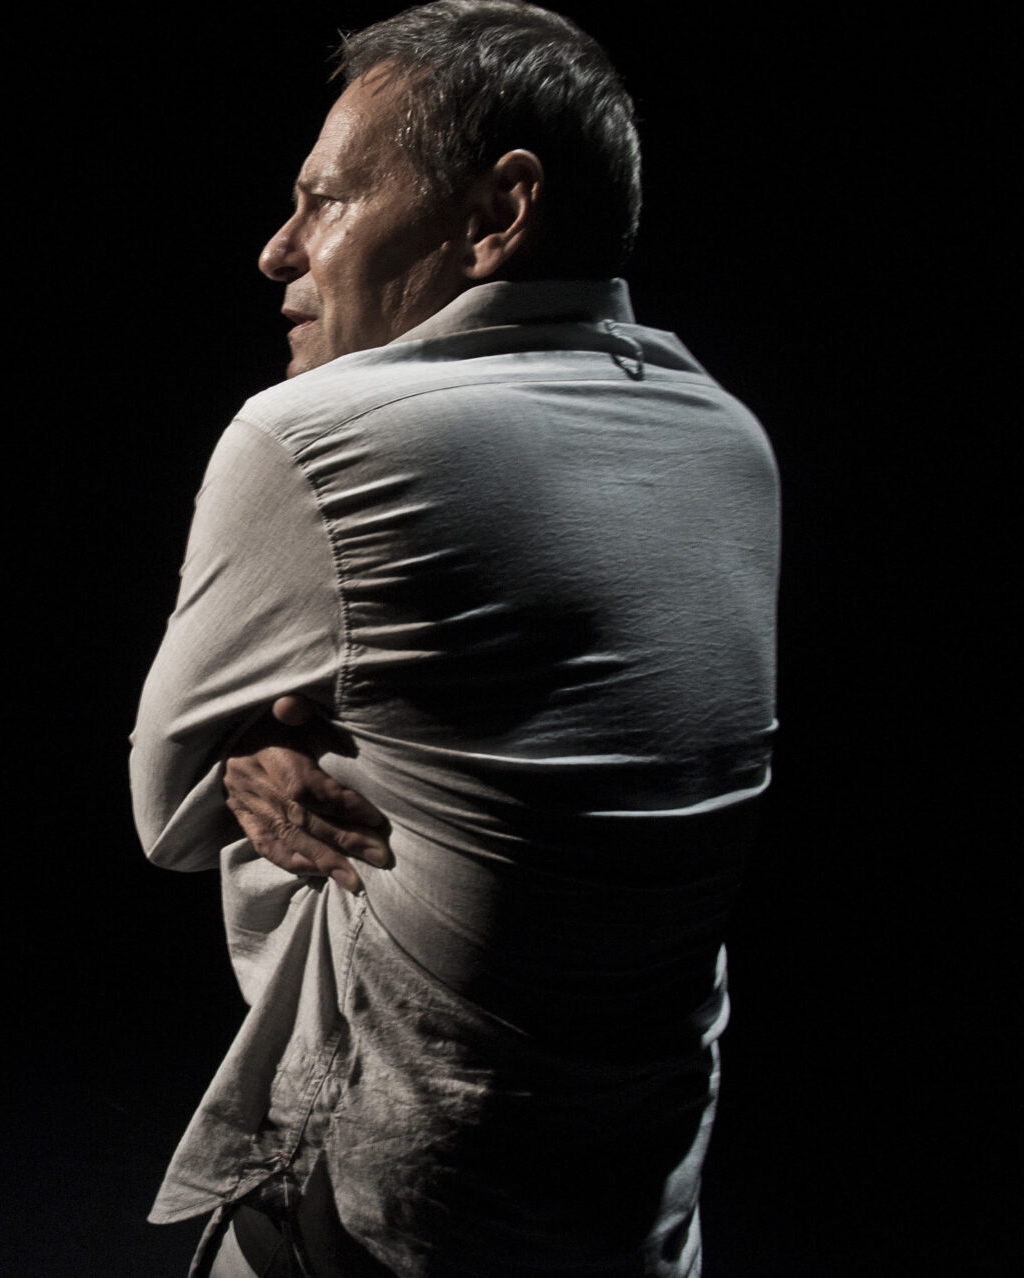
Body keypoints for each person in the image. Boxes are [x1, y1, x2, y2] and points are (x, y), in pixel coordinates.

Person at [128, 4, 778, 1276]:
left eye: (325, 201)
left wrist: (256, 744)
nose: (278, 250)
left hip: (393, 1212)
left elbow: (168, 811)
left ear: (498, 214)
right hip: (635, 1205)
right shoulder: (731, 436)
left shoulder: (312, 437)